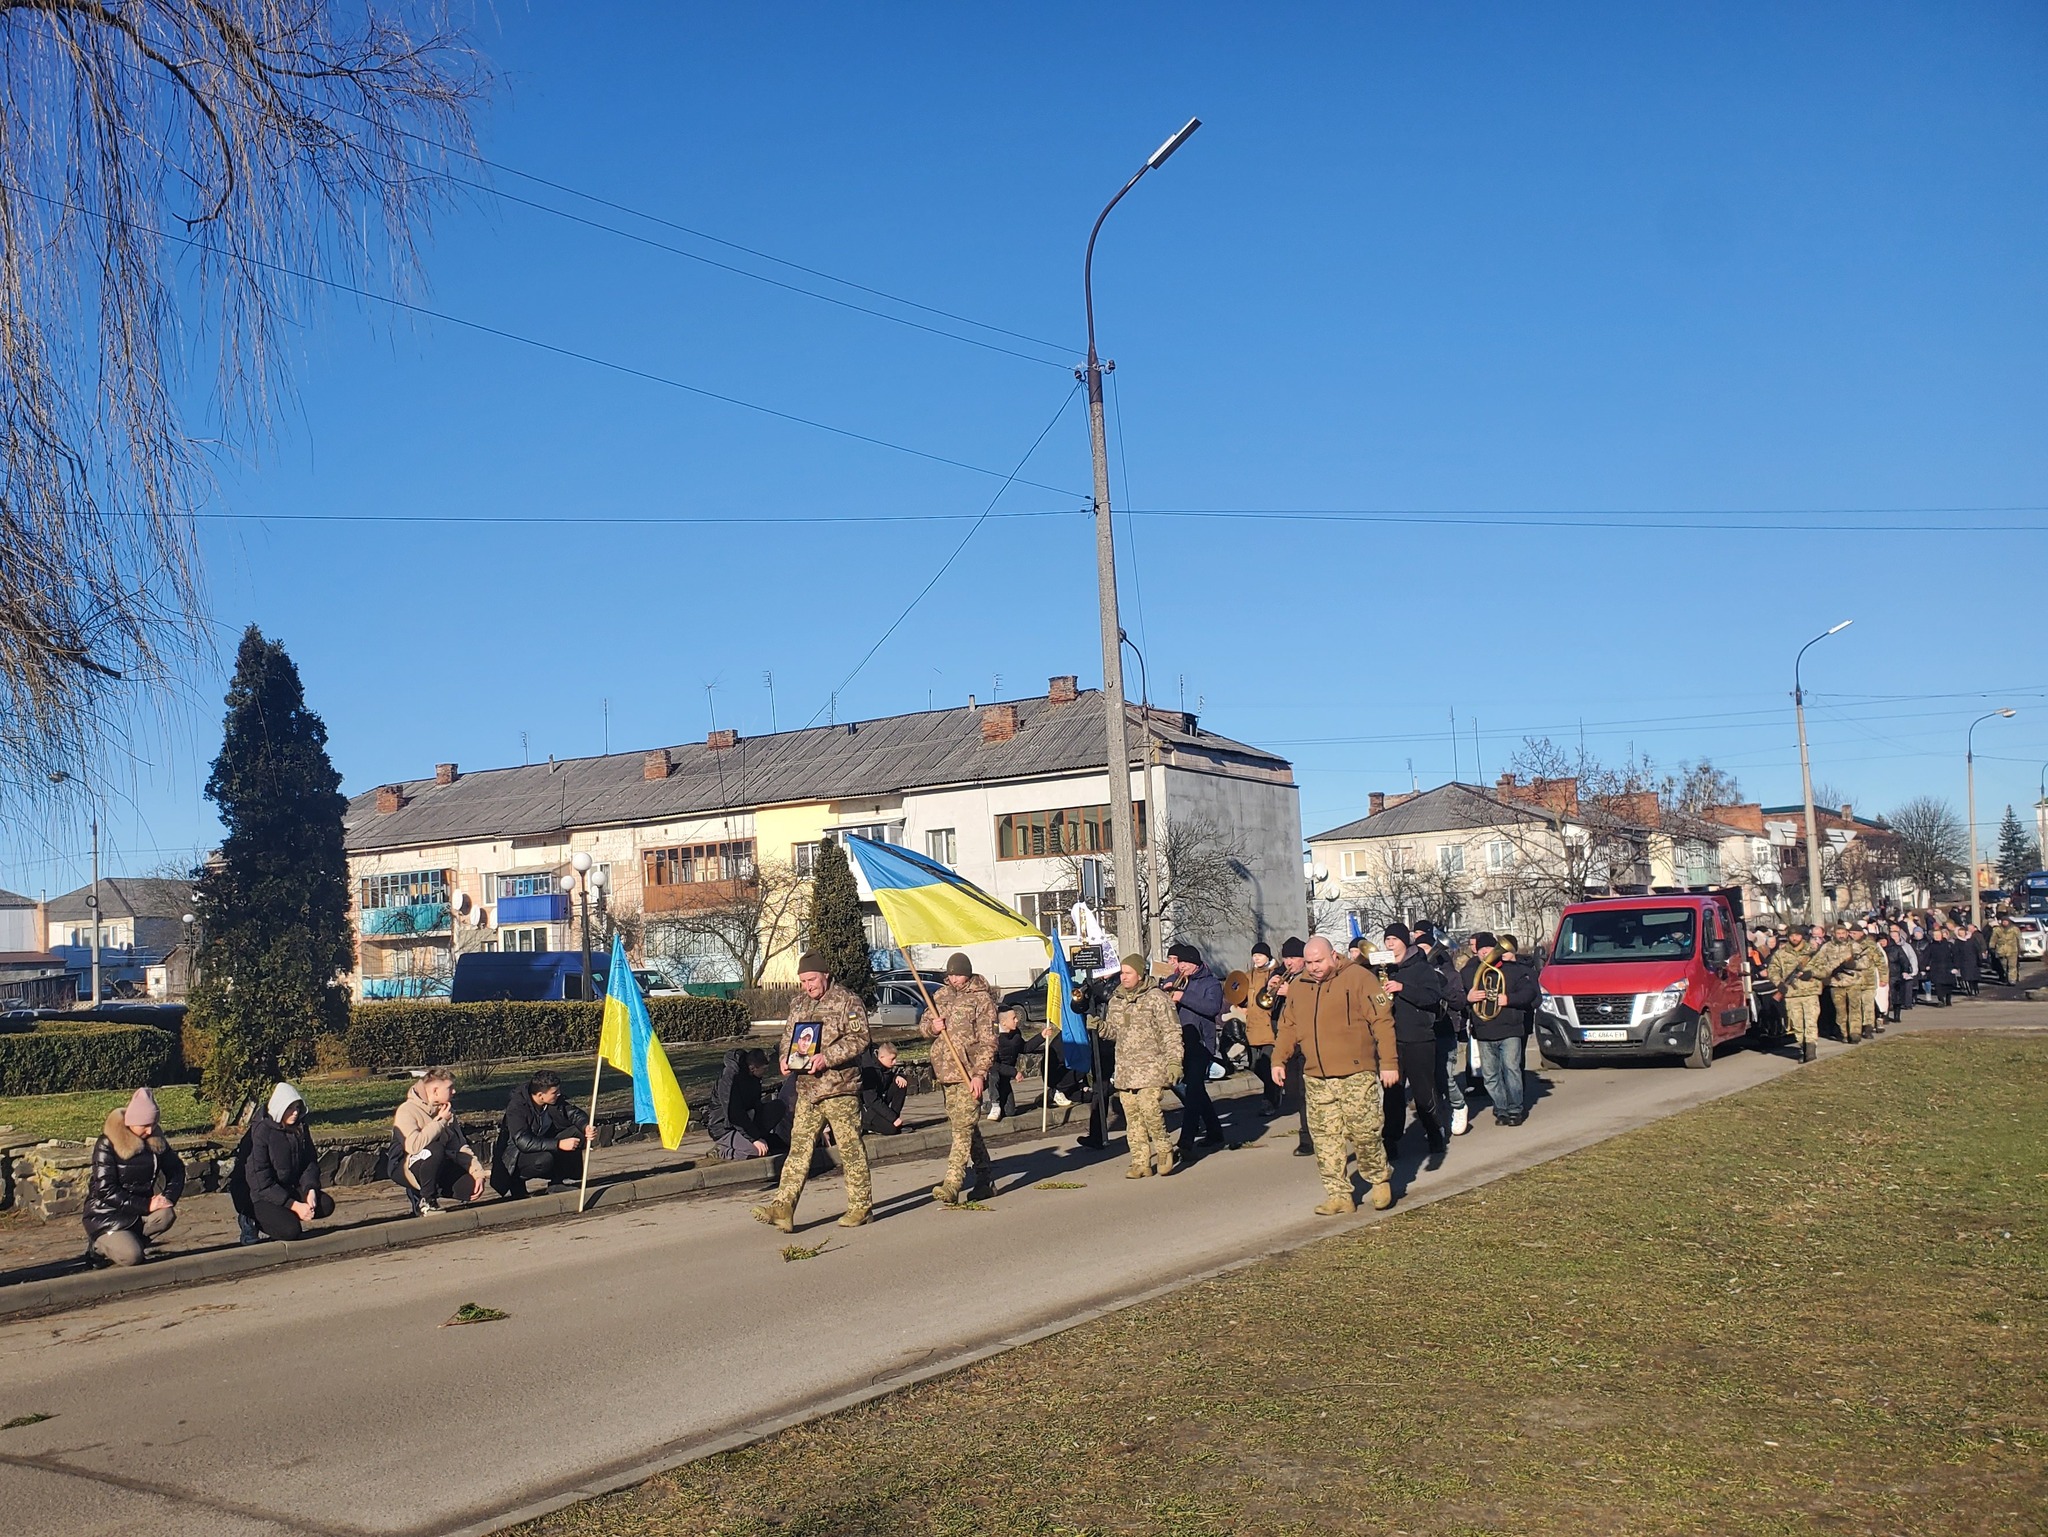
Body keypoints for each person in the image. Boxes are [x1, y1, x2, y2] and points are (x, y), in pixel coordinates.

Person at [1271, 936, 1400, 1214]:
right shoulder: (1298, 986)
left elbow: (1382, 1020)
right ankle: (1339, 1194)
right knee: (1325, 1138)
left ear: (1333, 955)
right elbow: (1288, 1026)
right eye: (1309, 963)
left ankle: (1378, 1178)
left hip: (1356, 1072)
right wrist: (1278, 1059)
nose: (1314, 967)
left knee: (1364, 1132)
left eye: (1319, 961)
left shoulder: (1358, 978)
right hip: (1317, 1076)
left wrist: (1389, 1062)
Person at [754, 951, 873, 1232]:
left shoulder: (847, 1001)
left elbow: (861, 1038)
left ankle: (861, 1206)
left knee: (850, 1148)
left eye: (811, 979)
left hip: (839, 1087)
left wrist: (827, 1058)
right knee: (799, 1149)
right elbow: (788, 1038)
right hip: (807, 1089)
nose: (807, 986)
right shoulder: (798, 1004)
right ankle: (783, 1207)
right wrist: (785, 1058)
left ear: (825, 975)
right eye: (803, 981)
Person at [1099, 954, 1184, 1178]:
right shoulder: (1116, 1000)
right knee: (1133, 1117)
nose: (1123, 977)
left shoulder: (1157, 998)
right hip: (1126, 1068)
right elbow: (1115, 1032)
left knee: (1150, 1110)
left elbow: (1171, 1031)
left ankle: (1165, 1149)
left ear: (1140, 974)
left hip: (1152, 1066)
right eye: (1122, 973)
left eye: (1128, 973)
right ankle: (1140, 1161)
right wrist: (1100, 1027)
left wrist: (1175, 1061)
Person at [923, 952, 997, 1205]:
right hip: (946, 1072)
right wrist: (932, 1027)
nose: (953, 978)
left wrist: (980, 1074)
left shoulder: (981, 1000)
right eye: (950, 974)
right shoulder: (940, 996)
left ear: (967, 972)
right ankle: (985, 1177)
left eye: (957, 974)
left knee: (962, 1129)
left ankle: (952, 1183)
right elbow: (922, 1026)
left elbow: (989, 1042)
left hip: (969, 1073)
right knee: (966, 1126)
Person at [84, 1087, 185, 1266]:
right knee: (132, 1258)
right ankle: (98, 1247)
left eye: (153, 1124)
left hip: (139, 1212)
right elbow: (105, 1189)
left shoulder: (155, 1140)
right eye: (144, 1125)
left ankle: (132, 1242)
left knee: (166, 1215)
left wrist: (167, 1198)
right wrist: (147, 1205)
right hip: (107, 1215)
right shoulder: (107, 1143)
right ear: (131, 1121)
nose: (149, 1130)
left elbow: (176, 1169)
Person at [1378, 924, 1449, 1167]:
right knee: (1392, 1094)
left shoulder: (1421, 967)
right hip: (1392, 1041)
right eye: (1386, 940)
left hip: (1419, 1039)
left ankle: (1434, 1132)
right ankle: (1391, 1140)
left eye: (1393, 939)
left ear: (1404, 942)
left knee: (1423, 1091)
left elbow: (1432, 997)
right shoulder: (1384, 969)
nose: (1389, 944)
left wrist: (1402, 988)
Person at [229, 1082, 334, 1241]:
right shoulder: (261, 1133)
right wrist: (295, 1206)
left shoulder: (300, 1128)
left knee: (325, 1205)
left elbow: (309, 1162)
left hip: (285, 1186)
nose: (295, 1113)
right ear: (280, 1108)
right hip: (256, 1195)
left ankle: (283, 1215)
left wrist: (310, 1189)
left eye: (298, 1108)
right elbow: (261, 1183)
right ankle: (251, 1219)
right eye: (290, 1108)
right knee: (291, 1231)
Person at [1164, 942, 1233, 1159]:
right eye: (1179, 963)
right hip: (1180, 1041)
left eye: (1185, 963)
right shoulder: (1175, 979)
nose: (1181, 967)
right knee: (1194, 1091)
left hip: (1202, 1043)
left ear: (1195, 964)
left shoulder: (1210, 983)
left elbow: (1212, 1008)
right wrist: (1166, 989)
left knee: (1193, 1091)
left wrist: (1182, 997)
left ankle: (1186, 1140)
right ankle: (1215, 1131)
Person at [1464, 933, 1539, 1125]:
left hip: (1510, 1029)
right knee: (1490, 1076)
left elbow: (1530, 992)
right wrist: (1468, 999)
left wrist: (1509, 999)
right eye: (1481, 950)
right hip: (1484, 1031)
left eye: (1488, 950)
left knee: (1511, 1070)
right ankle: (1501, 1108)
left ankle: (1515, 1110)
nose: (1485, 953)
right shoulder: (1469, 973)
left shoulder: (1513, 971)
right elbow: (1456, 999)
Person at [391, 1068, 487, 1214]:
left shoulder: (447, 1112)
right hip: (405, 1165)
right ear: (435, 1091)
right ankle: (427, 1201)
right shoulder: (407, 1110)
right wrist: (440, 1121)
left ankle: (432, 1186)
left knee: (469, 1188)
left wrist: (477, 1173)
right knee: (435, 1149)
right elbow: (413, 1146)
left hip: (438, 1162)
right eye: (450, 1088)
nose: (454, 1092)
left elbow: (460, 1146)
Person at [1412, 920, 1472, 1135]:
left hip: (1445, 1031)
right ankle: (1437, 1121)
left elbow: (1459, 1002)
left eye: (1426, 948)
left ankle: (1458, 1106)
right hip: (1422, 1032)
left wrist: (1441, 986)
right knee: (1428, 1080)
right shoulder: (1414, 973)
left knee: (1444, 1076)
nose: (1422, 952)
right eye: (1418, 949)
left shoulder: (1449, 974)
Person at [492, 1070, 589, 1196]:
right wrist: (558, 1144)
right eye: (554, 1092)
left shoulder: (552, 1101)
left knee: (578, 1132)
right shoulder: (517, 1108)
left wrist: (586, 1126)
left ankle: (556, 1183)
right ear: (540, 1095)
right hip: (517, 1155)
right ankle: (516, 1182)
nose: (559, 1094)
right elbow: (522, 1141)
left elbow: (573, 1113)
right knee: (544, 1159)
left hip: (544, 1144)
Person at [1272, 937, 1314, 1156]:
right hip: (1289, 1040)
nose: (1288, 962)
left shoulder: (1311, 978)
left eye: (1293, 958)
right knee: (1296, 1092)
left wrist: (1291, 993)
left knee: (1308, 1091)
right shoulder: (1280, 975)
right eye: (1286, 957)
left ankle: (1307, 1137)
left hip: (1308, 1040)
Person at [1766, 928, 1831, 1062]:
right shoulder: (1781, 953)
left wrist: (1812, 973)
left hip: (1810, 992)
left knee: (1811, 1022)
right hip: (1791, 994)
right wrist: (1779, 984)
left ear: (1802, 936)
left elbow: (1825, 969)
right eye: (1792, 935)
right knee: (1797, 1025)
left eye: (1797, 935)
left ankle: (1811, 1048)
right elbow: (1772, 970)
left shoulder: (1812, 952)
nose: (1794, 938)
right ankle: (1803, 1047)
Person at [710, 1047, 782, 1158]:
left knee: (778, 1107)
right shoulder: (729, 1078)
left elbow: (755, 1104)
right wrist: (755, 1139)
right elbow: (735, 1114)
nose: (765, 1073)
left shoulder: (753, 1077)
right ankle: (722, 1151)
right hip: (724, 1127)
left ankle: (756, 1139)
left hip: (747, 1119)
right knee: (756, 1152)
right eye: (764, 1069)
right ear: (752, 1068)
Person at [1242, 941, 1282, 1114]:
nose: (1256, 958)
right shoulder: (1247, 975)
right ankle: (1275, 1087)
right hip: (1252, 1026)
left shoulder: (1275, 974)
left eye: (1259, 955)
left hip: (1269, 1027)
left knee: (1266, 1064)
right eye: (1254, 955)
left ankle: (1270, 1100)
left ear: (1267, 956)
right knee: (1253, 1065)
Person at [988, 1006, 1047, 1120]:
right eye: (1013, 1018)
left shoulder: (1016, 1033)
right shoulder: (993, 1037)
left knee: (1009, 1111)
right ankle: (994, 1104)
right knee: (993, 1072)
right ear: (1004, 1023)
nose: (1017, 1020)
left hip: (1006, 1075)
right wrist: (1014, 1072)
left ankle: (987, 1106)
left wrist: (1041, 1036)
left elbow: (1024, 1048)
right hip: (991, 1075)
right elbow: (992, 1064)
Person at [857, 1040, 909, 1136]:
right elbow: (871, 1101)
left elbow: (887, 1077)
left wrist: (897, 1076)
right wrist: (892, 1118)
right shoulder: (870, 1072)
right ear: (881, 1057)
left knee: (901, 1082)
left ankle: (895, 1121)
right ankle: (866, 1126)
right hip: (868, 1109)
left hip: (880, 1100)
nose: (895, 1062)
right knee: (891, 1130)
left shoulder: (884, 1066)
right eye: (892, 1059)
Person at [1855, 924, 1889, 1037]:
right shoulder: (1848, 945)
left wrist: (1884, 978)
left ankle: (1869, 1027)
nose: (1852, 935)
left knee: (1868, 1004)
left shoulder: (1871, 946)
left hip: (1869, 980)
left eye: (1854, 933)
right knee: (1855, 1006)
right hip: (1852, 981)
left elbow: (1881, 963)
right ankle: (1856, 1029)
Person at [1991, 915, 2023, 986]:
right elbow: (1993, 939)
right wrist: (1992, 947)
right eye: (2003, 921)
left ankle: (2012, 980)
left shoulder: (2015, 929)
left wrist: (2022, 948)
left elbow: (2019, 939)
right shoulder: (1997, 930)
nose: (2005, 923)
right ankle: (2007, 978)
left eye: (2006, 921)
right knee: (2004, 966)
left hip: (2012, 950)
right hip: (2001, 950)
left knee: (2012, 966)